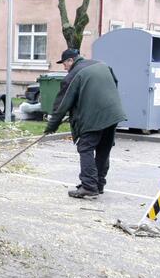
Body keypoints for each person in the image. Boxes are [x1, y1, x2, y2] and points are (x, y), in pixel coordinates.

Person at [44, 48, 127, 199]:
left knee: (86, 147)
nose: (64, 67)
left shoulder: (74, 75)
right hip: (113, 113)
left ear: (71, 60)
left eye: (64, 64)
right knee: (103, 148)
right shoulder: (102, 65)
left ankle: (89, 187)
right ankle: (99, 184)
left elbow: (62, 104)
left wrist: (51, 126)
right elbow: (114, 83)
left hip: (94, 116)